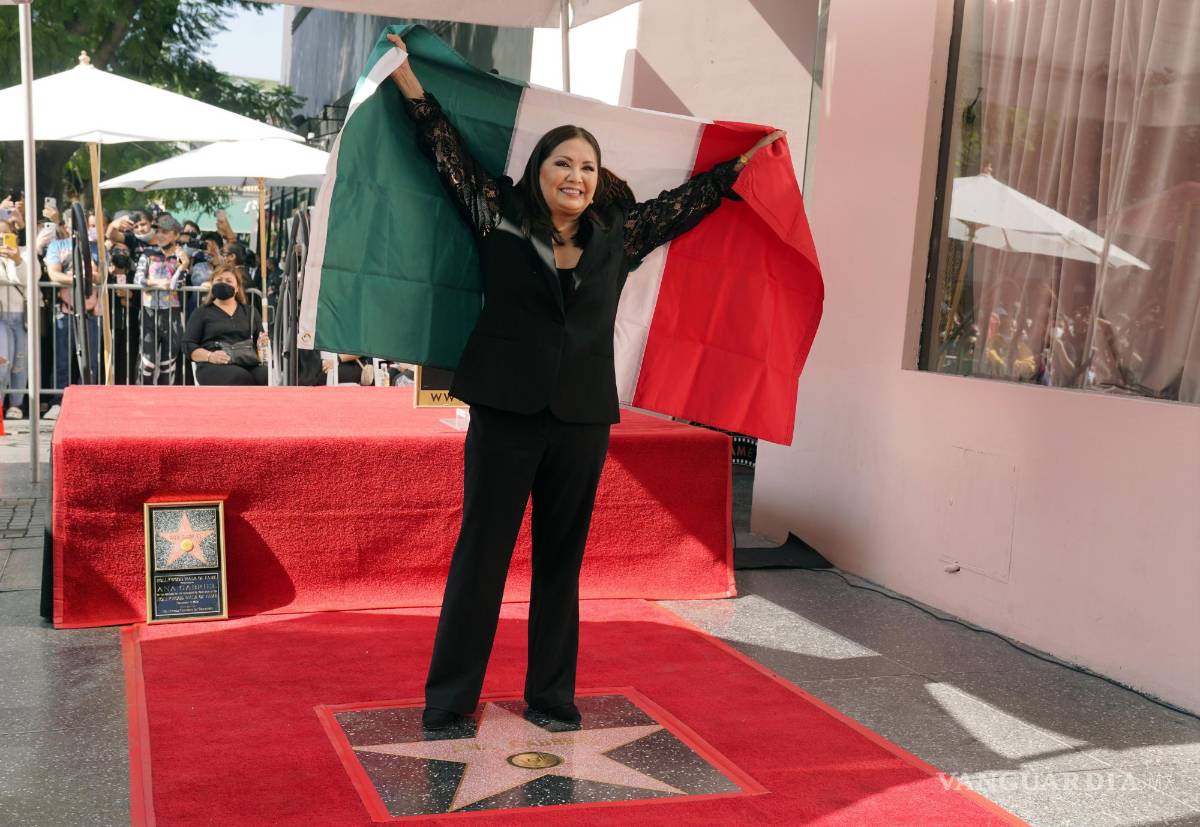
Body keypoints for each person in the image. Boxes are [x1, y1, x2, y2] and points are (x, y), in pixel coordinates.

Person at [383, 32, 785, 731]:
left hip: (581, 418)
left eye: (588, 167)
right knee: (482, 555)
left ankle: (552, 697)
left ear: (599, 180)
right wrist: (406, 76)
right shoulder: (497, 215)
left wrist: (741, 166)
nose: (575, 175)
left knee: (561, 565)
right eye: (563, 162)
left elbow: (686, 203)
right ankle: (448, 702)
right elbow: (440, 145)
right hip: (506, 411)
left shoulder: (620, 237)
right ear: (540, 169)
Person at [183, 264, 269, 386]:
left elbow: (259, 341)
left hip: (246, 361)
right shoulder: (202, 312)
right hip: (212, 365)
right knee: (239, 377)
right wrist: (210, 356)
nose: (223, 283)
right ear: (212, 284)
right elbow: (188, 344)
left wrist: (263, 342)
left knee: (266, 376)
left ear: (237, 288)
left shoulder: (250, 311)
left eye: (229, 281)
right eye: (219, 280)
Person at [133, 213, 190, 385]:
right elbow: (137, 280)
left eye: (166, 232)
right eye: (159, 231)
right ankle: (143, 399)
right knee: (147, 361)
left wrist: (184, 266)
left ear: (175, 235)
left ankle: (165, 403)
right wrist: (157, 283)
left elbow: (177, 285)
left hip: (172, 313)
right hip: (148, 311)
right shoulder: (148, 254)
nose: (160, 235)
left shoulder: (182, 257)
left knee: (168, 363)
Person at [0, 220, 28, 418]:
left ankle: (16, 404)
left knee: (20, 362)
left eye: (5, 234)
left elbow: (28, 279)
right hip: (1, 316)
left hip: (21, 316)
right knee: (3, 360)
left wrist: (17, 260)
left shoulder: (25, 253)